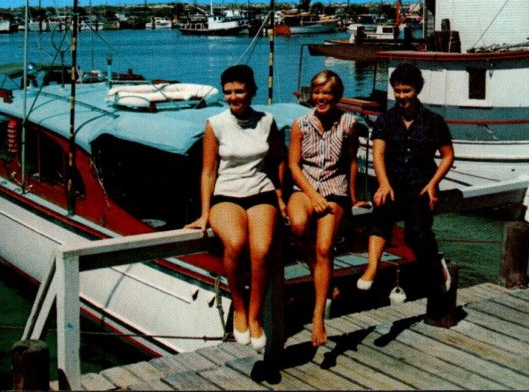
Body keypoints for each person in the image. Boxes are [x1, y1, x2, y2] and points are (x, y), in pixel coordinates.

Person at [186, 64, 286, 352]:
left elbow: (278, 159)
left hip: (260, 192)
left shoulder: (267, 121)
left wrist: (279, 194)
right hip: (226, 195)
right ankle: (239, 308)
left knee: (262, 249)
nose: (233, 97)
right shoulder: (215, 124)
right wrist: (205, 213)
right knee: (235, 243)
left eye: (239, 91)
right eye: (228, 92)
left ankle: (255, 317)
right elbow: (208, 171)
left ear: (252, 91)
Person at [356, 63, 454, 296]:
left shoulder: (434, 121)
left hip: (422, 183)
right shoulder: (386, 120)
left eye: (406, 91)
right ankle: (372, 267)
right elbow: (378, 153)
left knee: (417, 233)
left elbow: (448, 156)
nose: (401, 96)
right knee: (380, 213)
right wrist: (383, 183)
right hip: (392, 181)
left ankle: (438, 266)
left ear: (417, 89)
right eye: (397, 91)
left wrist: (433, 184)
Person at [286, 70, 361, 347]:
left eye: (326, 93)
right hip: (305, 187)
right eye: (317, 92)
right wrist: (311, 195)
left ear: (337, 96)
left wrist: (352, 199)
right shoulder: (300, 125)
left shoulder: (349, 123)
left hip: (335, 189)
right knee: (297, 226)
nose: (321, 98)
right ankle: (324, 278)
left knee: (324, 247)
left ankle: (318, 315)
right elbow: (294, 165)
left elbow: (352, 161)